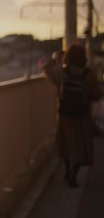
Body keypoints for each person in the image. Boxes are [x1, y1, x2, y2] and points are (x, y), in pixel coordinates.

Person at [42, 43, 102, 188]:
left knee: (66, 145)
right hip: (82, 115)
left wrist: (57, 57)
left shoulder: (62, 73)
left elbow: (45, 68)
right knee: (82, 147)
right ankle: (73, 176)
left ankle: (67, 170)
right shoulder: (88, 74)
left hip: (65, 115)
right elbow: (97, 94)